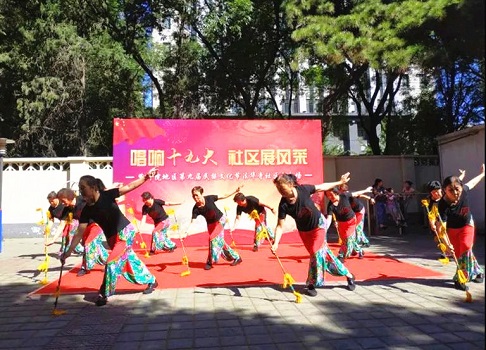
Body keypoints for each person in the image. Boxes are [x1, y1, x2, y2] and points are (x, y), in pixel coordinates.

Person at [61, 168, 159, 306]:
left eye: (83, 188)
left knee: (111, 262)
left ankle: (104, 293)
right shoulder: (87, 210)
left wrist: (146, 177)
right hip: (112, 238)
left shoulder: (107, 195)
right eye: (79, 188)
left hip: (125, 232)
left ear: (93, 187)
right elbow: (79, 232)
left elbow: (129, 186)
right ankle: (151, 280)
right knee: (129, 261)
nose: (81, 191)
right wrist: (68, 251)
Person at [271, 173, 356, 297]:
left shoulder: (303, 190)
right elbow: (280, 226)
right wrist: (276, 243)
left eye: (282, 188)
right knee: (323, 255)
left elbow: (322, 187)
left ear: (290, 185)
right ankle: (348, 274)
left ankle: (311, 283)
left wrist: (339, 182)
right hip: (305, 232)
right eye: (278, 189)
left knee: (316, 254)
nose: (281, 191)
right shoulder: (284, 204)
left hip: (318, 226)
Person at [437, 164, 485, 291]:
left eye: (457, 189)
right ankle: (478, 271)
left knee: (466, 246)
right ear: (444, 190)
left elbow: (473, 182)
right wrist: (447, 244)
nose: (455, 193)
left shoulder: (464, 190)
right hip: (451, 230)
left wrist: (482, 174)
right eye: (450, 190)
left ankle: (460, 278)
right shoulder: (442, 205)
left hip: (466, 225)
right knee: (459, 254)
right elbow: (441, 227)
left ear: (461, 187)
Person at [49, 188, 109, 277]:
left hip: (96, 225)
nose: (62, 203)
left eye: (63, 200)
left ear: (68, 197)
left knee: (89, 245)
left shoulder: (83, 199)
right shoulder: (67, 209)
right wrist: (53, 239)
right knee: (95, 249)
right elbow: (62, 225)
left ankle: (85, 268)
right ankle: (110, 262)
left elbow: (97, 195)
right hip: (84, 228)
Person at [186, 186, 242, 270]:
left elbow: (223, 196)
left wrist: (234, 191)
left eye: (196, 195)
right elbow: (192, 221)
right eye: (193, 196)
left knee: (212, 239)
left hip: (220, 220)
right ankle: (237, 257)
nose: (195, 197)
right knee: (220, 242)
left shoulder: (209, 198)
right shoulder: (196, 209)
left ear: (201, 194)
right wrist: (186, 232)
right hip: (210, 225)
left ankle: (210, 261)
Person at [325, 187, 365, 261]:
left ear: (336, 193)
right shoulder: (330, 205)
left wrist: (366, 190)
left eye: (331, 194)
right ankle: (359, 250)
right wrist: (325, 228)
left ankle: (341, 256)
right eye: (328, 196)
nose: (330, 197)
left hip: (351, 221)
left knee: (348, 238)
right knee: (344, 240)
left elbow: (356, 193)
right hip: (341, 223)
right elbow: (329, 218)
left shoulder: (344, 196)